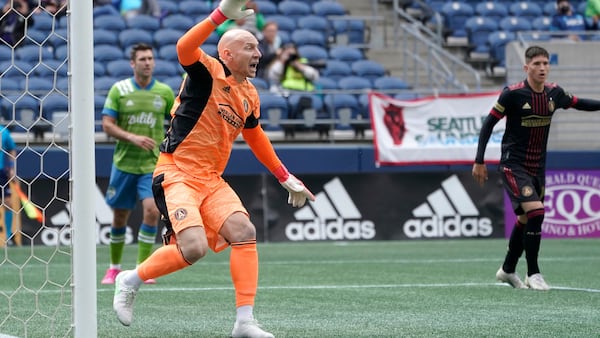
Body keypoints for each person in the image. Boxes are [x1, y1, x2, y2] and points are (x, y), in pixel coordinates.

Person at [112, 0, 315, 337]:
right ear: (228, 53)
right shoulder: (206, 71)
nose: (258, 54)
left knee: (244, 232)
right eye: (249, 47)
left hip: (210, 179)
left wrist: (285, 176)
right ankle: (130, 279)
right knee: (194, 249)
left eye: (258, 48)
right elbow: (183, 46)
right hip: (176, 171)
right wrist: (219, 15)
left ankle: (244, 323)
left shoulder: (250, 93)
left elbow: (255, 137)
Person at [472, 45, 600, 291]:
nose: (542, 68)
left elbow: (580, 103)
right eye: (537, 64)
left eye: (545, 63)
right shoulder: (512, 94)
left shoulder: (555, 94)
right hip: (513, 164)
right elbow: (488, 124)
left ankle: (508, 269)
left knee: (524, 218)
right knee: (537, 212)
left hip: (537, 168)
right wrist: (479, 160)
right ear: (526, 67)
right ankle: (534, 273)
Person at [100, 43, 175, 285]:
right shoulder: (119, 90)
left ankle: (143, 269)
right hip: (124, 164)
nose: (147, 62)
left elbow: (175, 121)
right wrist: (132, 137)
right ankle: (113, 268)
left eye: (150, 58)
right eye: (142, 59)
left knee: (152, 211)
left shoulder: (164, 92)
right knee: (120, 216)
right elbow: (107, 124)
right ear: (133, 63)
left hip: (151, 165)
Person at [0, 126, 16, 246]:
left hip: (1, 172)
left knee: (8, 203)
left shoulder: (3, 131)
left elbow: (12, 149)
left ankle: (9, 236)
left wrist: (11, 167)